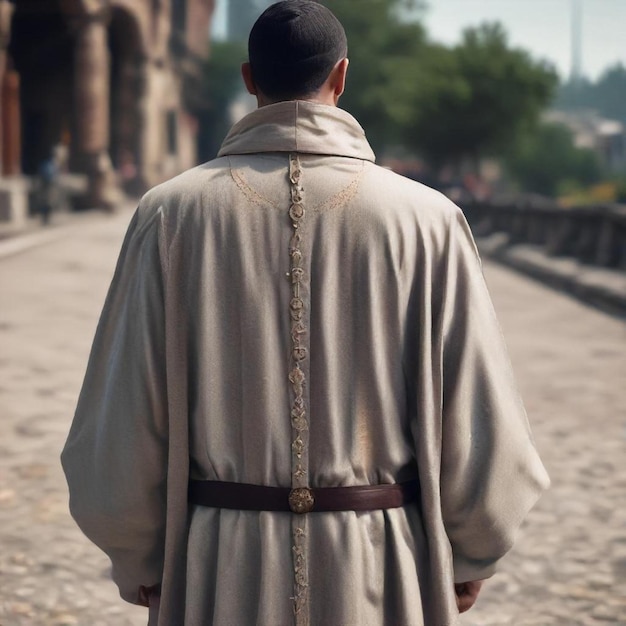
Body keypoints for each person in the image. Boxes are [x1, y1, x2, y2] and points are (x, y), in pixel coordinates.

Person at [61, 2, 550, 625]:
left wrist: (139, 554)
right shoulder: (428, 220)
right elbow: (482, 411)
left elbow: (123, 409)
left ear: (248, 79)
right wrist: (473, 547)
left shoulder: (169, 215)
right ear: (342, 77)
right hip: (380, 564)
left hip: (217, 568)